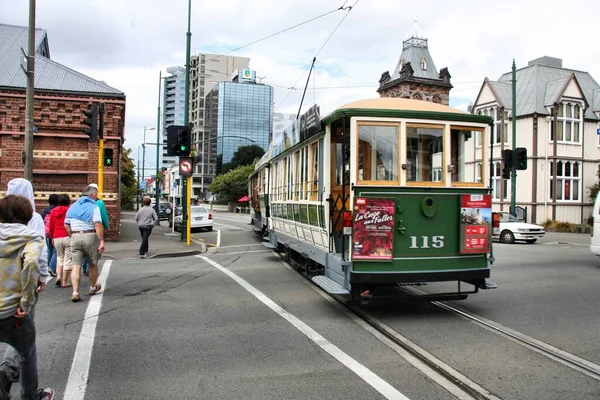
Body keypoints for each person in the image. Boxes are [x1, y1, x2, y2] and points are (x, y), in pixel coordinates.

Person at [0, 195, 55, 399]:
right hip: (13, 312)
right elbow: (32, 264)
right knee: (27, 355)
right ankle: (30, 396)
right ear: (28, 215)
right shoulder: (30, 237)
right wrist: (26, 302)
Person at [64, 185, 104, 302]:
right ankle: (92, 287)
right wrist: (101, 240)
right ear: (91, 195)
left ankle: (75, 292)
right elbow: (97, 224)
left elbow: (66, 224)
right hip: (90, 236)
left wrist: (72, 235)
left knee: (76, 265)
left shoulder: (72, 207)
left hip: (75, 236)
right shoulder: (94, 207)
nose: (97, 197)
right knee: (92, 263)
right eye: (96, 194)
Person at [81, 184, 108, 277]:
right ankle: (89, 269)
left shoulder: (80, 202)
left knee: (84, 250)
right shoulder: (99, 203)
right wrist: (106, 226)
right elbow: (103, 216)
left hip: (82, 229)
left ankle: (85, 268)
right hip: (94, 229)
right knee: (92, 251)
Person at [48, 194, 72, 288]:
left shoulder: (53, 211)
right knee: (67, 259)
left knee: (60, 258)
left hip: (57, 236)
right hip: (67, 236)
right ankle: (64, 281)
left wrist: (52, 237)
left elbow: (51, 226)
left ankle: (58, 277)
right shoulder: (69, 210)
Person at [40, 194, 58, 277]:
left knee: (49, 249)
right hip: (55, 232)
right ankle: (51, 267)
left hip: (47, 232)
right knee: (56, 251)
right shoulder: (56, 210)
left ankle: (48, 266)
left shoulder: (44, 210)